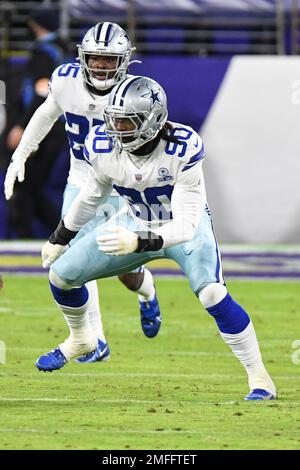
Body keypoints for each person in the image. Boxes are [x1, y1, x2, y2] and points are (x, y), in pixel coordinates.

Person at [36, 75, 276, 401]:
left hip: (182, 229)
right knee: (61, 275)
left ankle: (260, 378)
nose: (117, 130)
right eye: (114, 121)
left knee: (212, 293)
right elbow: (91, 198)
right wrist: (59, 238)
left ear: (152, 121)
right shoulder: (103, 146)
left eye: (127, 122)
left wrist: (138, 243)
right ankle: (82, 339)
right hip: (134, 221)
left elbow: (186, 226)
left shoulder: (182, 147)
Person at [4, 22, 162, 363]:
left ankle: (147, 291)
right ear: (82, 57)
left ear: (124, 61)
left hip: (122, 182)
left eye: (109, 60)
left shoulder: (137, 92)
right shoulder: (66, 79)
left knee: (122, 269)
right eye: (95, 58)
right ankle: (96, 340)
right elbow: (45, 114)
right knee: (73, 257)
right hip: (82, 180)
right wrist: (21, 154)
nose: (102, 66)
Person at [4, 7, 69, 238]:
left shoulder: (45, 53)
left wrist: (22, 126)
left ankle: (45, 234)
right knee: (32, 186)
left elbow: (41, 94)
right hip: (60, 125)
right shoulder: (63, 48)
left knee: (24, 183)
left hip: (45, 127)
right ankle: (59, 234)